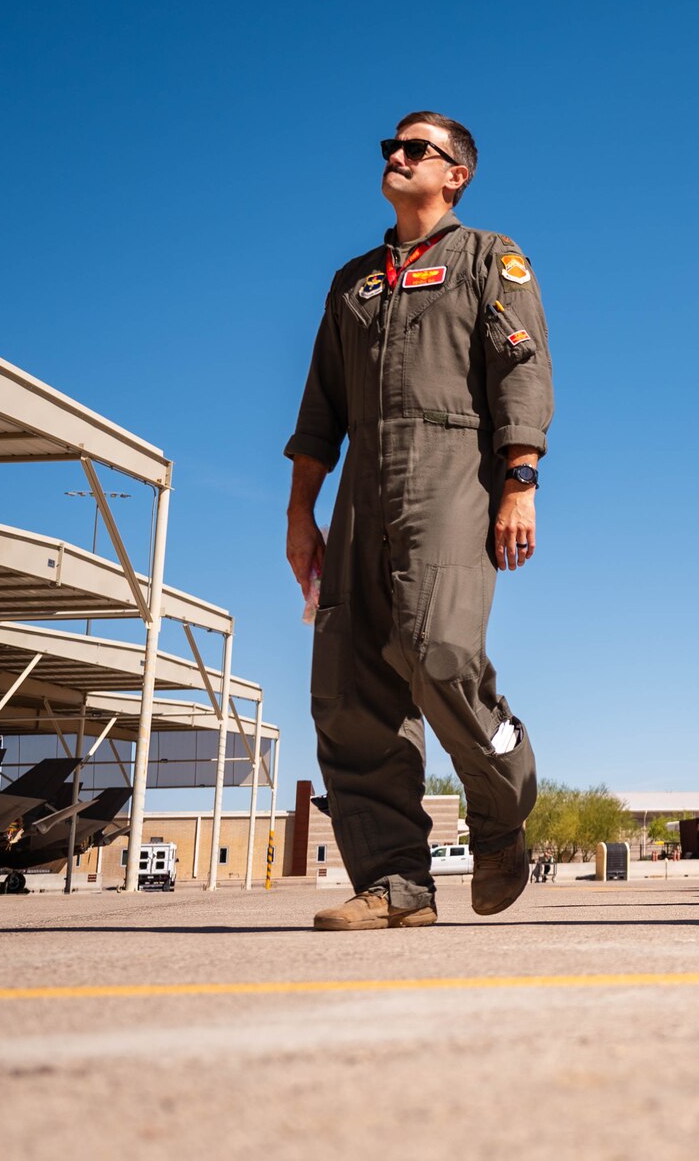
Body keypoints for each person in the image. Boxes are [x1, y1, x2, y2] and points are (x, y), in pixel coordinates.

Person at [286, 111, 552, 933]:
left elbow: (520, 366)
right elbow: (321, 405)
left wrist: (520, 480)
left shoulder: (488, 259)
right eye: (391, 149)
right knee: (347, 684)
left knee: (438, 651)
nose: (397, 158)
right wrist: (303, 511)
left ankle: (503, 808)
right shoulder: (353, 281)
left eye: (416, 150)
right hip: (359, 488)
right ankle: (396, 883)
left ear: (456, 174)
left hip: (452, 474)